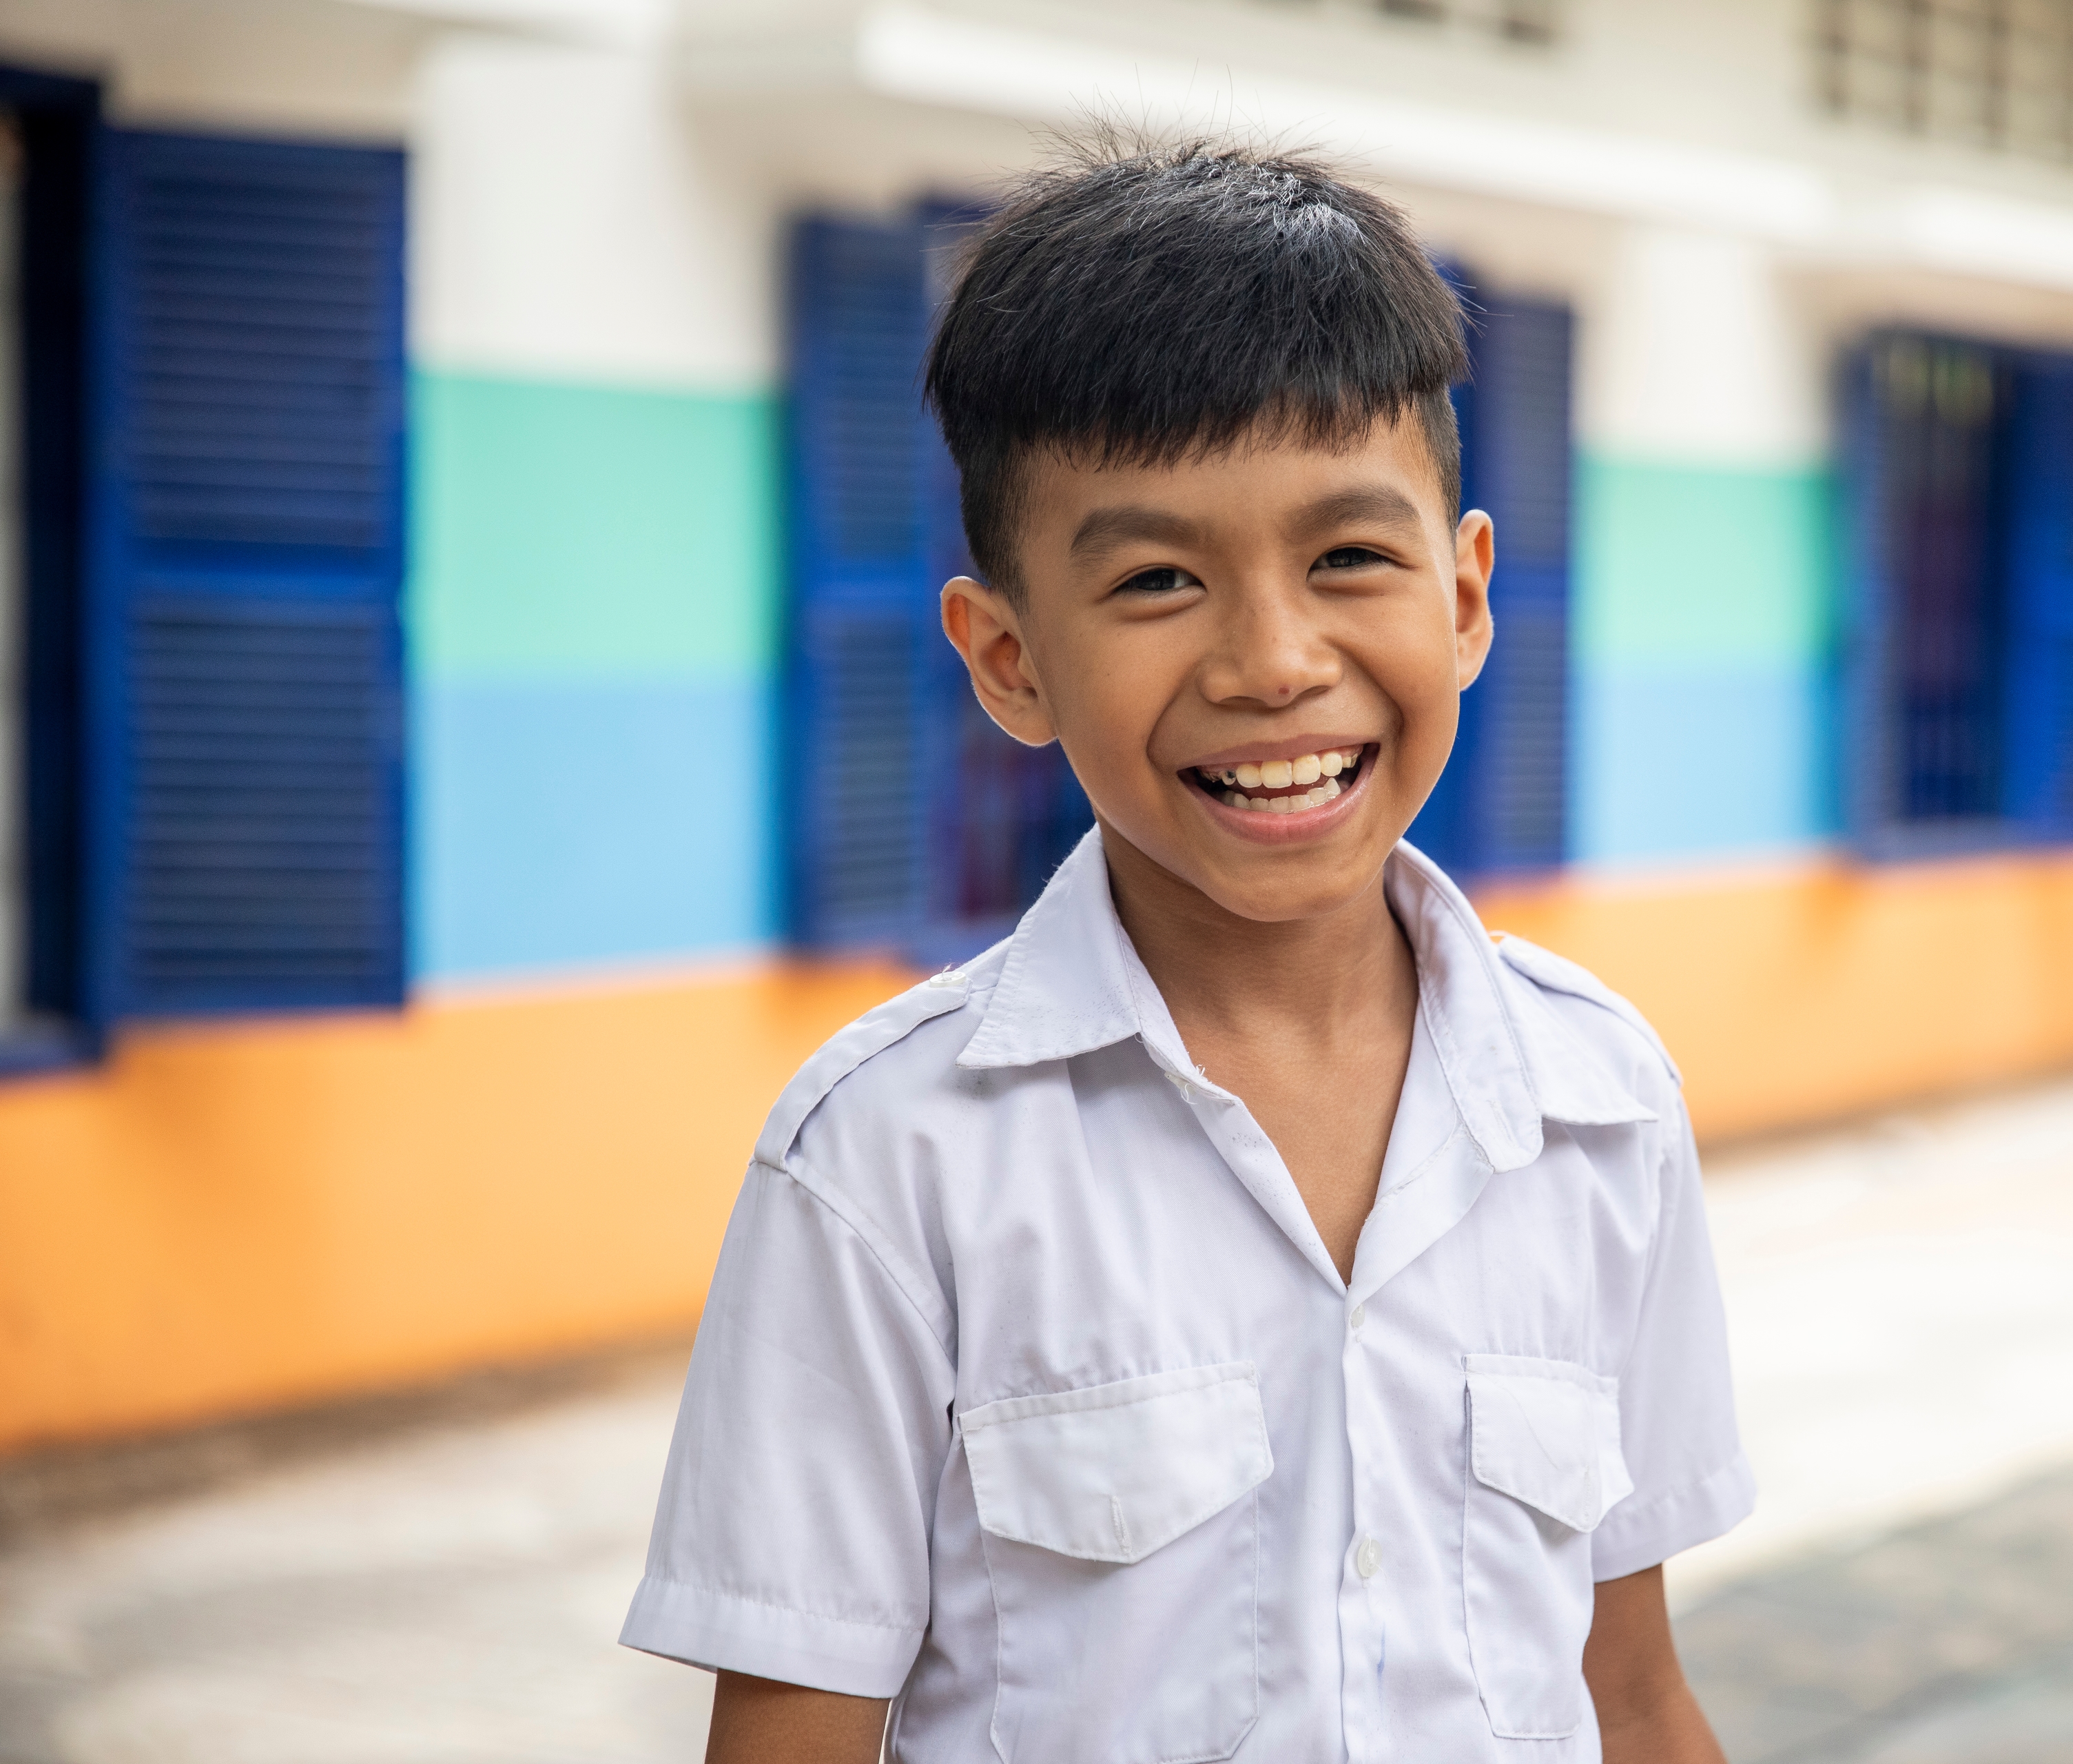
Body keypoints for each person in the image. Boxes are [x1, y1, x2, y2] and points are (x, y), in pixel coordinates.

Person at [619, 136, 1753, 1764]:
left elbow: (1629, 1690)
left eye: (1350, 556)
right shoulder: (889, 1157)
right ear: (1010, 659)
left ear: (1466, 595)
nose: (1275, 662)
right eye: (1157, 578)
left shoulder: (1600, 1100)